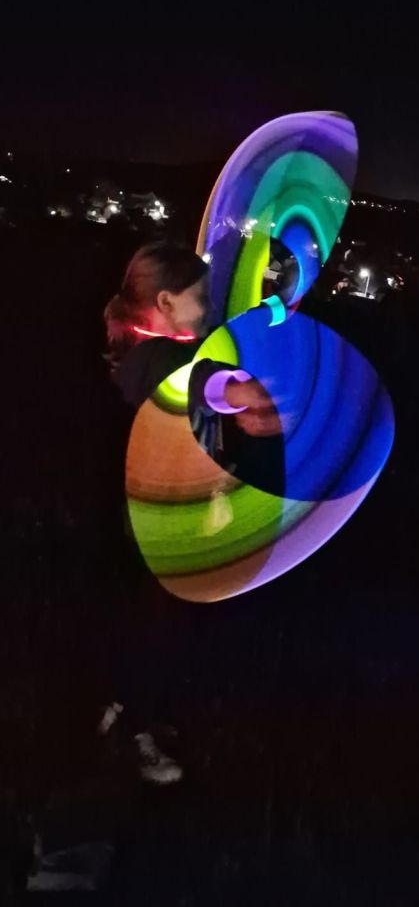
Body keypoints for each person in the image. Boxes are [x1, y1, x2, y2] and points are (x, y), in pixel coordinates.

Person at [101, 241, 282, 783]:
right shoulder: (152, 361)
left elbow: (207, 369)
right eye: (200, 296)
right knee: (161, 626)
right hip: (162, 521)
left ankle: (125, 704)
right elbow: (204, 382)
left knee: (157, 620)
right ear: (165, 302)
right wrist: (244, 394)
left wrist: (274, 304)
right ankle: (137, 730)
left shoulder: (165, 348)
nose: (210, 305)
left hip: (176, 511)